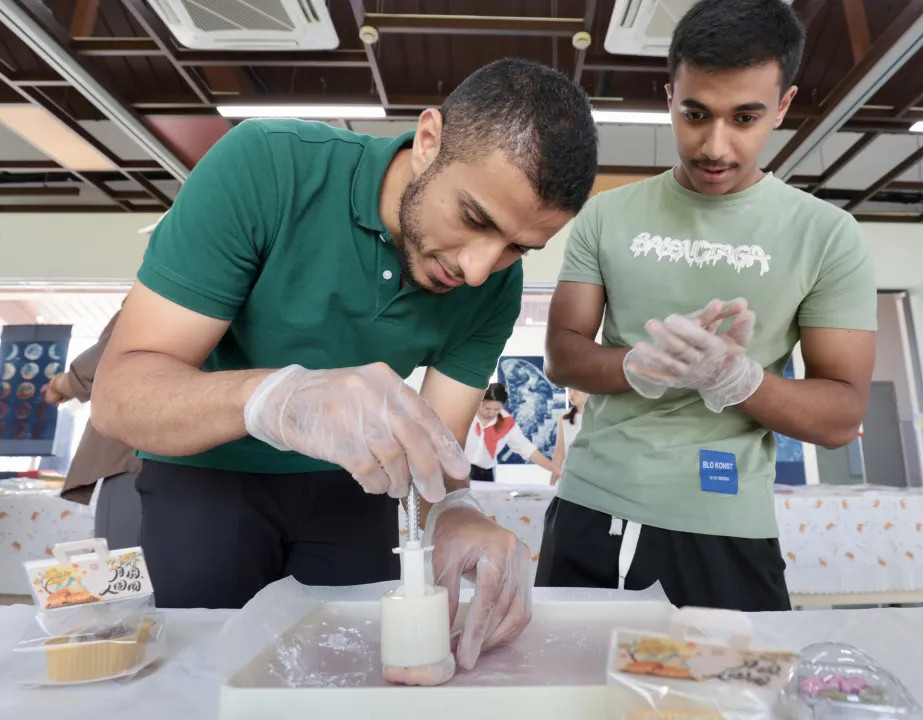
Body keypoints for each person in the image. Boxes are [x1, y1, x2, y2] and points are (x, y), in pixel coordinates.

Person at [91, 57, 598, 675]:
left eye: (518, 247)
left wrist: (457, 512)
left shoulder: (495, 285)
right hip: (208, 472)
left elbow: (439, 447)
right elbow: (120, 396)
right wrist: (274, 400)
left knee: (355, 672)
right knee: (207, 674)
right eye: (474, 219)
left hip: (357, 488)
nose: (476, 269)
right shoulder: (268, 167)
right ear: (428, 140)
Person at [538, 0, 877, 611]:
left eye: (745, 117)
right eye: (694, 114)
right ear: (669, 95)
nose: (714, 145)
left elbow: (840, 416)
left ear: (784, 105)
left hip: (728, 523)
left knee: (737, 705)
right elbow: (563, 356)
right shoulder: (608, 215)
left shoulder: (827, 235)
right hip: (596, 505)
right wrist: (639, 366)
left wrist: (734, 377)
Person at [45, 311, 142, 549]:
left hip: (135, 452)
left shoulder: (167, 284)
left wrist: (59, 384)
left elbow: (108, 358)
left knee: (127, 569)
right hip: (222, 456)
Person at [466, 382, 555, 482]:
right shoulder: (465, 414)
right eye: (487, 408)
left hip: (485, 474)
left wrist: (554, 469)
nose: (491, 413)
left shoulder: (506, 422)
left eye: (496, 409)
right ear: (479, 401)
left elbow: (526, 448)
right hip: (458, 470)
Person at [551, 388, 586, 485]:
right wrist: (552, 482)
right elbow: (559, 452)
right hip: (568, 476)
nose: (571, 394)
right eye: (569, 390)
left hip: (590, 477)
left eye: (576, 390)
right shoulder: (564, 418)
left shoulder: (597, 417)